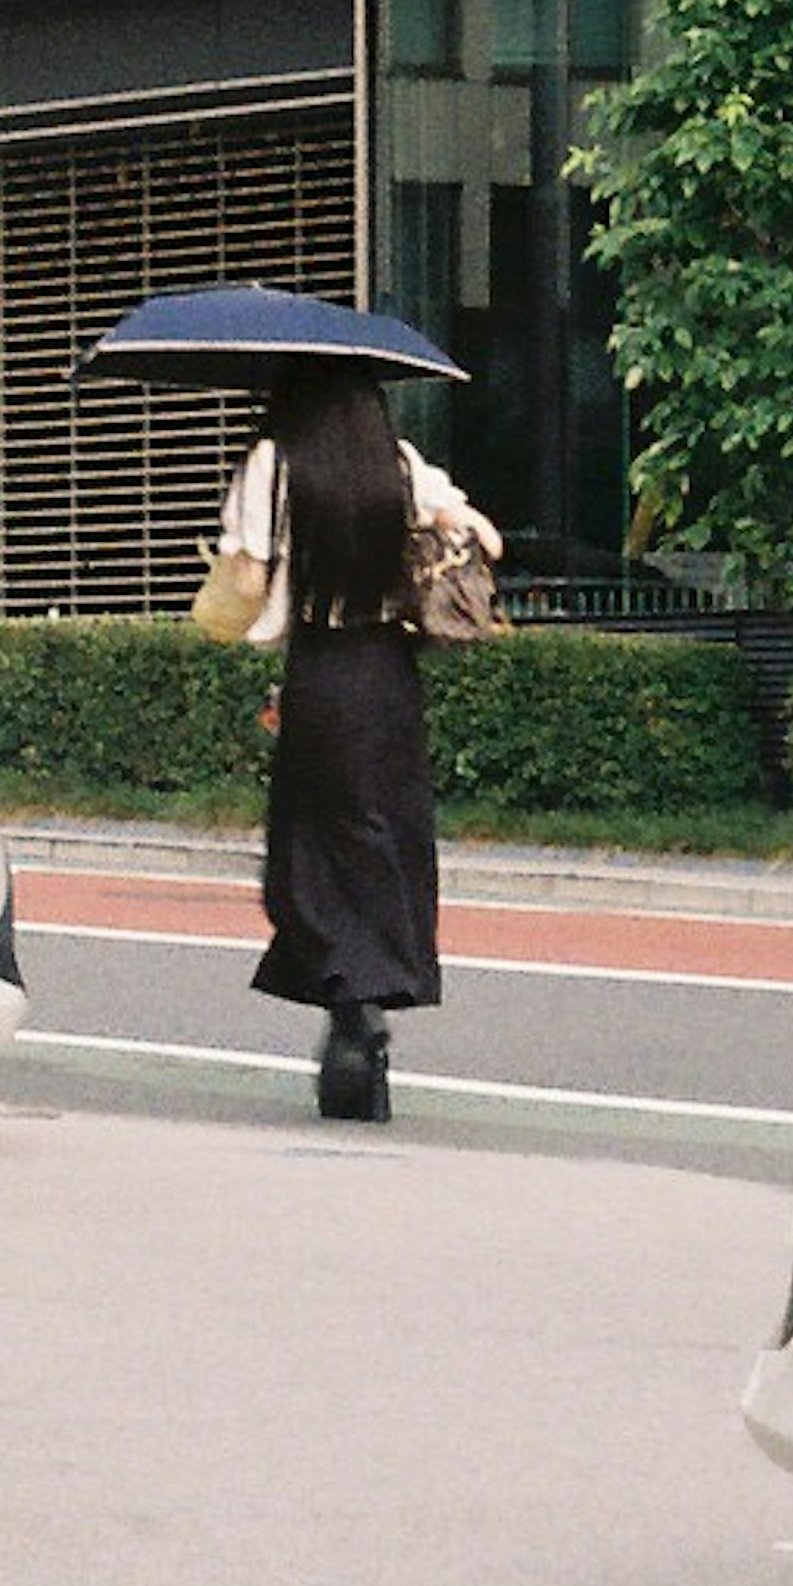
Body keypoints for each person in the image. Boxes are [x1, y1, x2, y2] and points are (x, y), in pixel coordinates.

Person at [212, 367, 498, 1122]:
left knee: (310, 840)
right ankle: (370, 994)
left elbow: (246, 583)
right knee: (385, 835)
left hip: (321, 669)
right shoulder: (398, 464)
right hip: (389, 675)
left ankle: (347, 1003)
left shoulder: (273, 462)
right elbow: (482, 535)